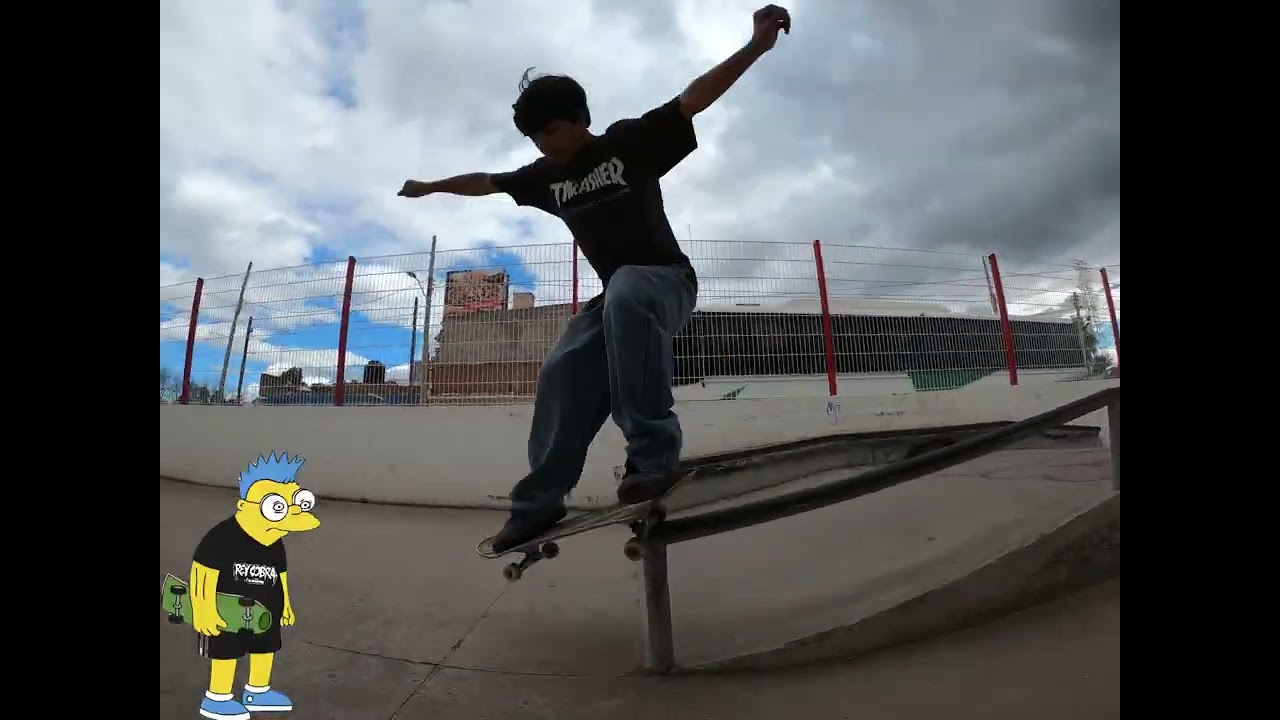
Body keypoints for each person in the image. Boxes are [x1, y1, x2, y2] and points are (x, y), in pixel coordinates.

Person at [398, 5, 792, 552]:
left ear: (580, 118)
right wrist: (429, 186)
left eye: (550, 131)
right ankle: (537, 505)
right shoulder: (546, 177)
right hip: (615, 300)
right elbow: (487, 181)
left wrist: (754, 47)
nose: (542, 144)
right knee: (561, 371)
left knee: (628, 289)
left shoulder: (627, 144)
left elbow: (693, 99)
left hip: (666, 283)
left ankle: (652, 458)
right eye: (534, 136)